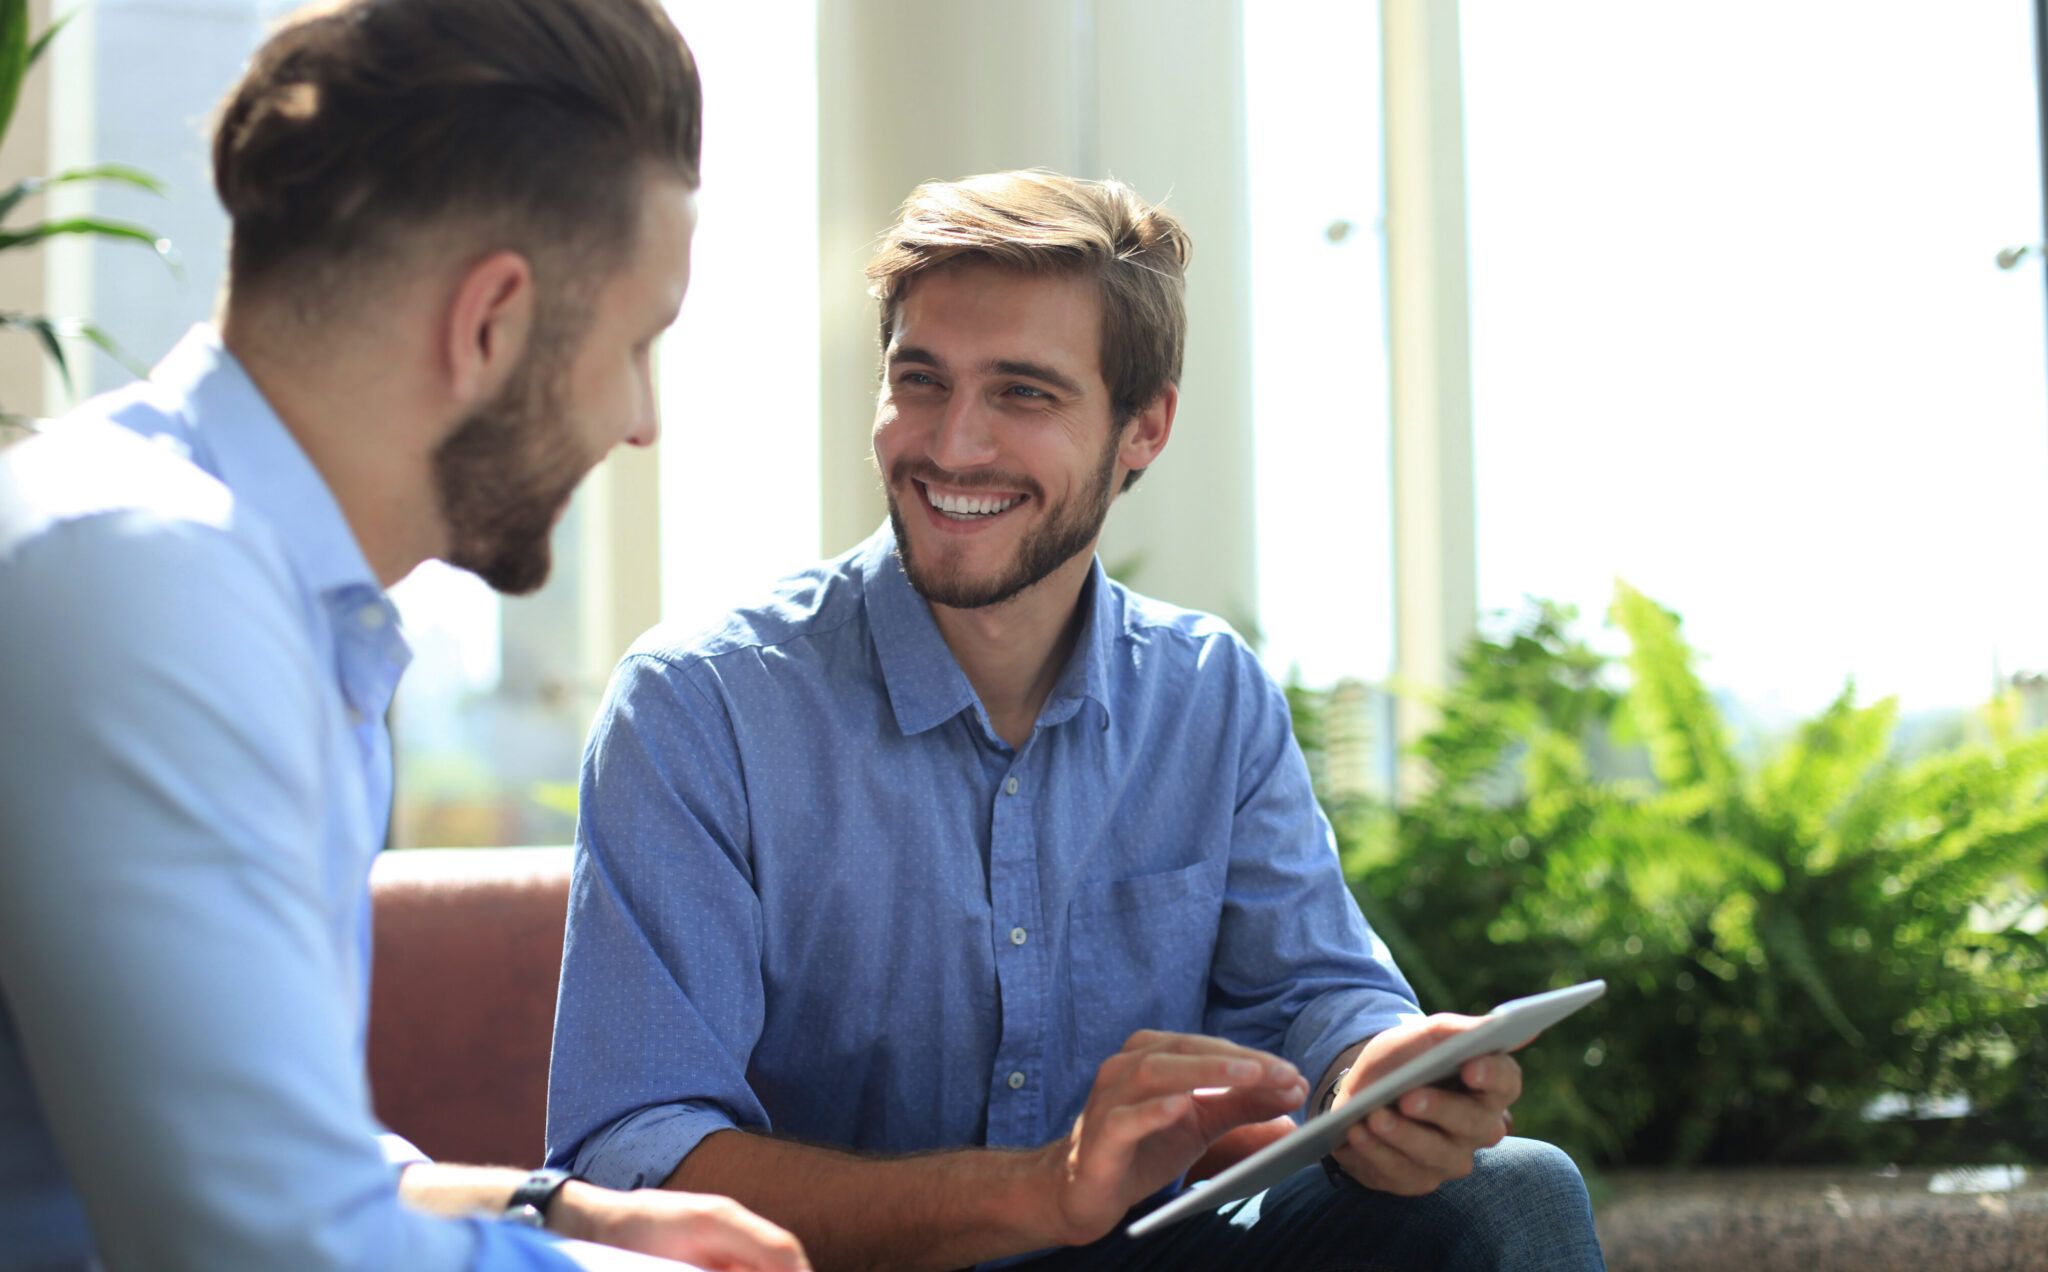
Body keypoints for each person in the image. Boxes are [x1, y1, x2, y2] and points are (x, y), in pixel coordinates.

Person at [545, 169, 1606, 1269]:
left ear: (1142, 427)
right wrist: (1033, 1195)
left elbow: (1315, 995)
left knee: (1511, 1194)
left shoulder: (1208, 696)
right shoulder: (700, 706)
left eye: (1022, 393)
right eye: (920, 381)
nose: (952, 445)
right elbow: (633, 1154)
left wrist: (1372, 1080)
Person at [0, 0, 809, 1268]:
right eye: (638, 345)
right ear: (489, 324)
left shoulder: (267, 600)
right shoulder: (150, 581)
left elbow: (241, 1136)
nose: (640, 422)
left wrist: (563, 1212)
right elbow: (263, 1244)